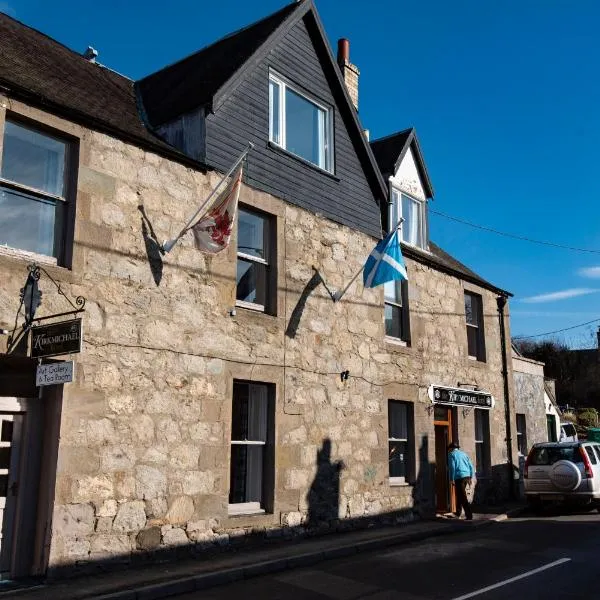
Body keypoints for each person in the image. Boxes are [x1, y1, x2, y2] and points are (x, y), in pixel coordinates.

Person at [447, 442, 474, 520]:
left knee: (462, 496)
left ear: (451, 448)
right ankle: (458, 513)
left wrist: (451, 479)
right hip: (467, 476)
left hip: (459, 477)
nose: (449, 450)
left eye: (449, 449)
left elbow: (452, 467)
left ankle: (469, 515)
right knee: (459, 495)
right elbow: (471, 466)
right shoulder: (464, 454)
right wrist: (471, 476)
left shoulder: (452, 454)